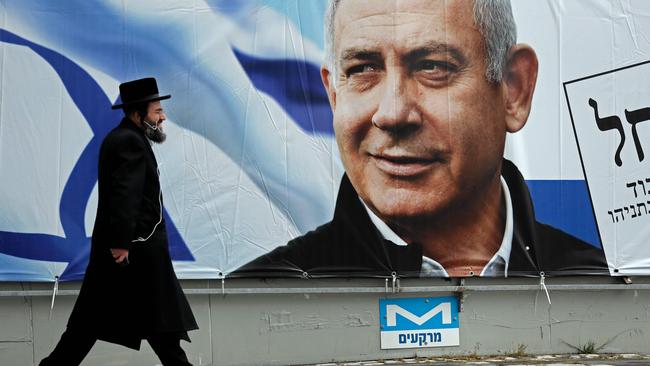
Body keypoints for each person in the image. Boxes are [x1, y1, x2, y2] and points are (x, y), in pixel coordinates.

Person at [236, 0, 608, 278]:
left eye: (433, 66)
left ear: (514, 90)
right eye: (363, 69)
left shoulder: (613, 294)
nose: (393, 113)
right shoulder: (251, 310)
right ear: (334, 95)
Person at [40, 78, 198, 365]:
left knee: (98, 325)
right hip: (132, 254)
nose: (162, 117)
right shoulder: (128, 141)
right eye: (157, 111)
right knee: (107, 324)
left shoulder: (129, 138)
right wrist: (122, 244)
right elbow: (125, 196)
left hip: (129, 253)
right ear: (138, 114)